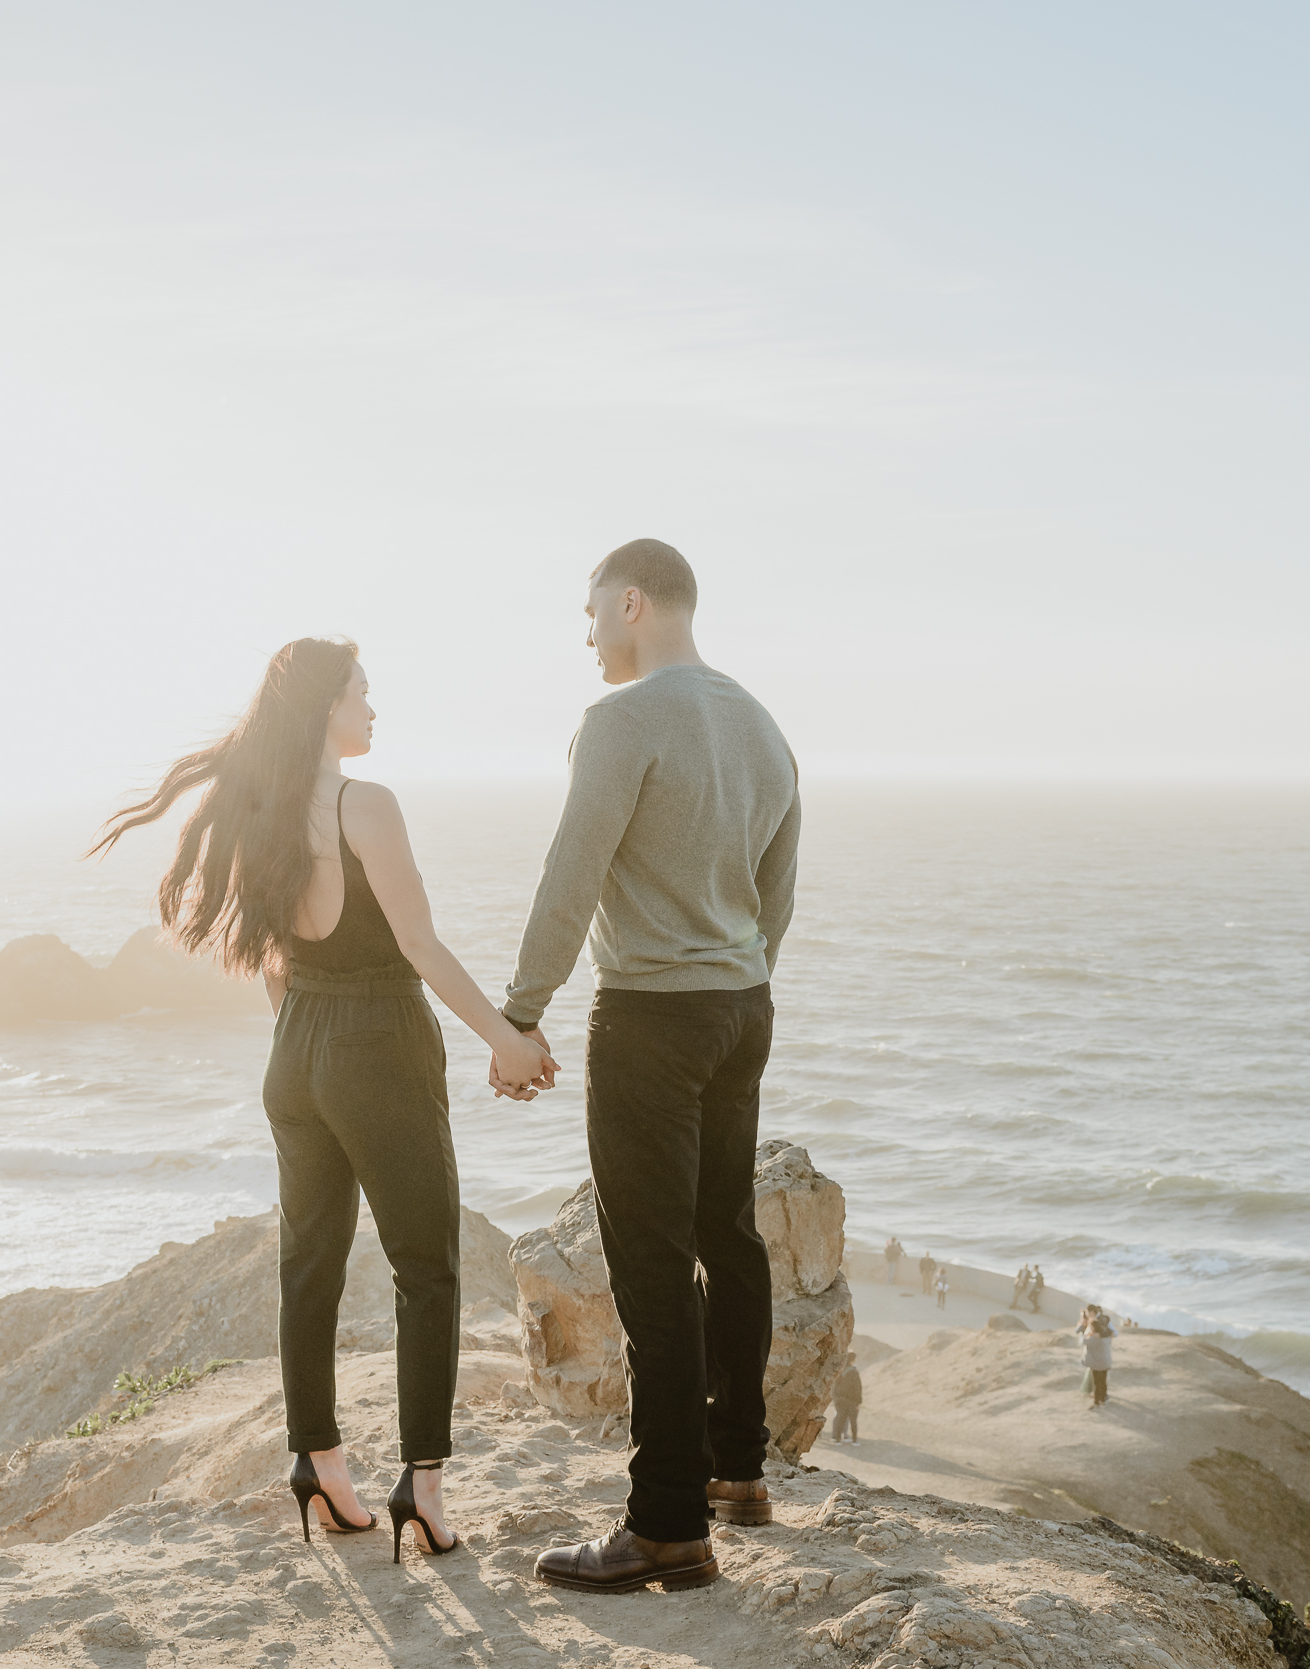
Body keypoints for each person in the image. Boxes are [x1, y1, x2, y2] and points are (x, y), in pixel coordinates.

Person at [89, 636, 551, 1564]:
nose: (374, 710)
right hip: (377, 1047)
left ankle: (319, 1464)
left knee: (312, 1265)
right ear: (325, 710)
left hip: (294, 1051)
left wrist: (304, 1043)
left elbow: (273, 959)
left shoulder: (265, 813)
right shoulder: (364, 806)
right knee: (428, 1269)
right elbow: (418, 945)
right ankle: (422, 1485)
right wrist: (505, 1036)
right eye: (362, 694)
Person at [502, 540, 802, 1597]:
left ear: (632, 602)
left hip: (650, 1019)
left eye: (591, 614)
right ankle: (738, 1470)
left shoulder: (619, 723)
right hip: (741, 1005)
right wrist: (737, 976)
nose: (587, 637)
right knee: (730, 1233)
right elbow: (777, 891)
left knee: (651, 1265)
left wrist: (520, 1012)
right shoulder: (761, 724)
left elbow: (570, 872)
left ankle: (665, 1522)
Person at [1077, 1305, 1116, 1408]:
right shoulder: (1106, 1338)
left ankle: (1097, 1401)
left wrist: (1084, 1332)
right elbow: (1112, 1334)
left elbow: (1082, 1341)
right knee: (1103, 1382)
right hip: (1106, 1363)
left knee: (1097, 1383)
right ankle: (1103, 1399)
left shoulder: (1092, 1339)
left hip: (1097, 1365)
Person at [829, 1363, 864, 1443]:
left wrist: (836, 1398)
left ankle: (837, 1439)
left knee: (840, 1418)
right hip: (851, 1400)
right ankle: (854, 1440)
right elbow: (857, 1388)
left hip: (840, 1399)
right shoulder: (854, 1372)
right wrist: (858, 1401)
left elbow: (835, 1386)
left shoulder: (840, 1370)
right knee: (853, 1421)